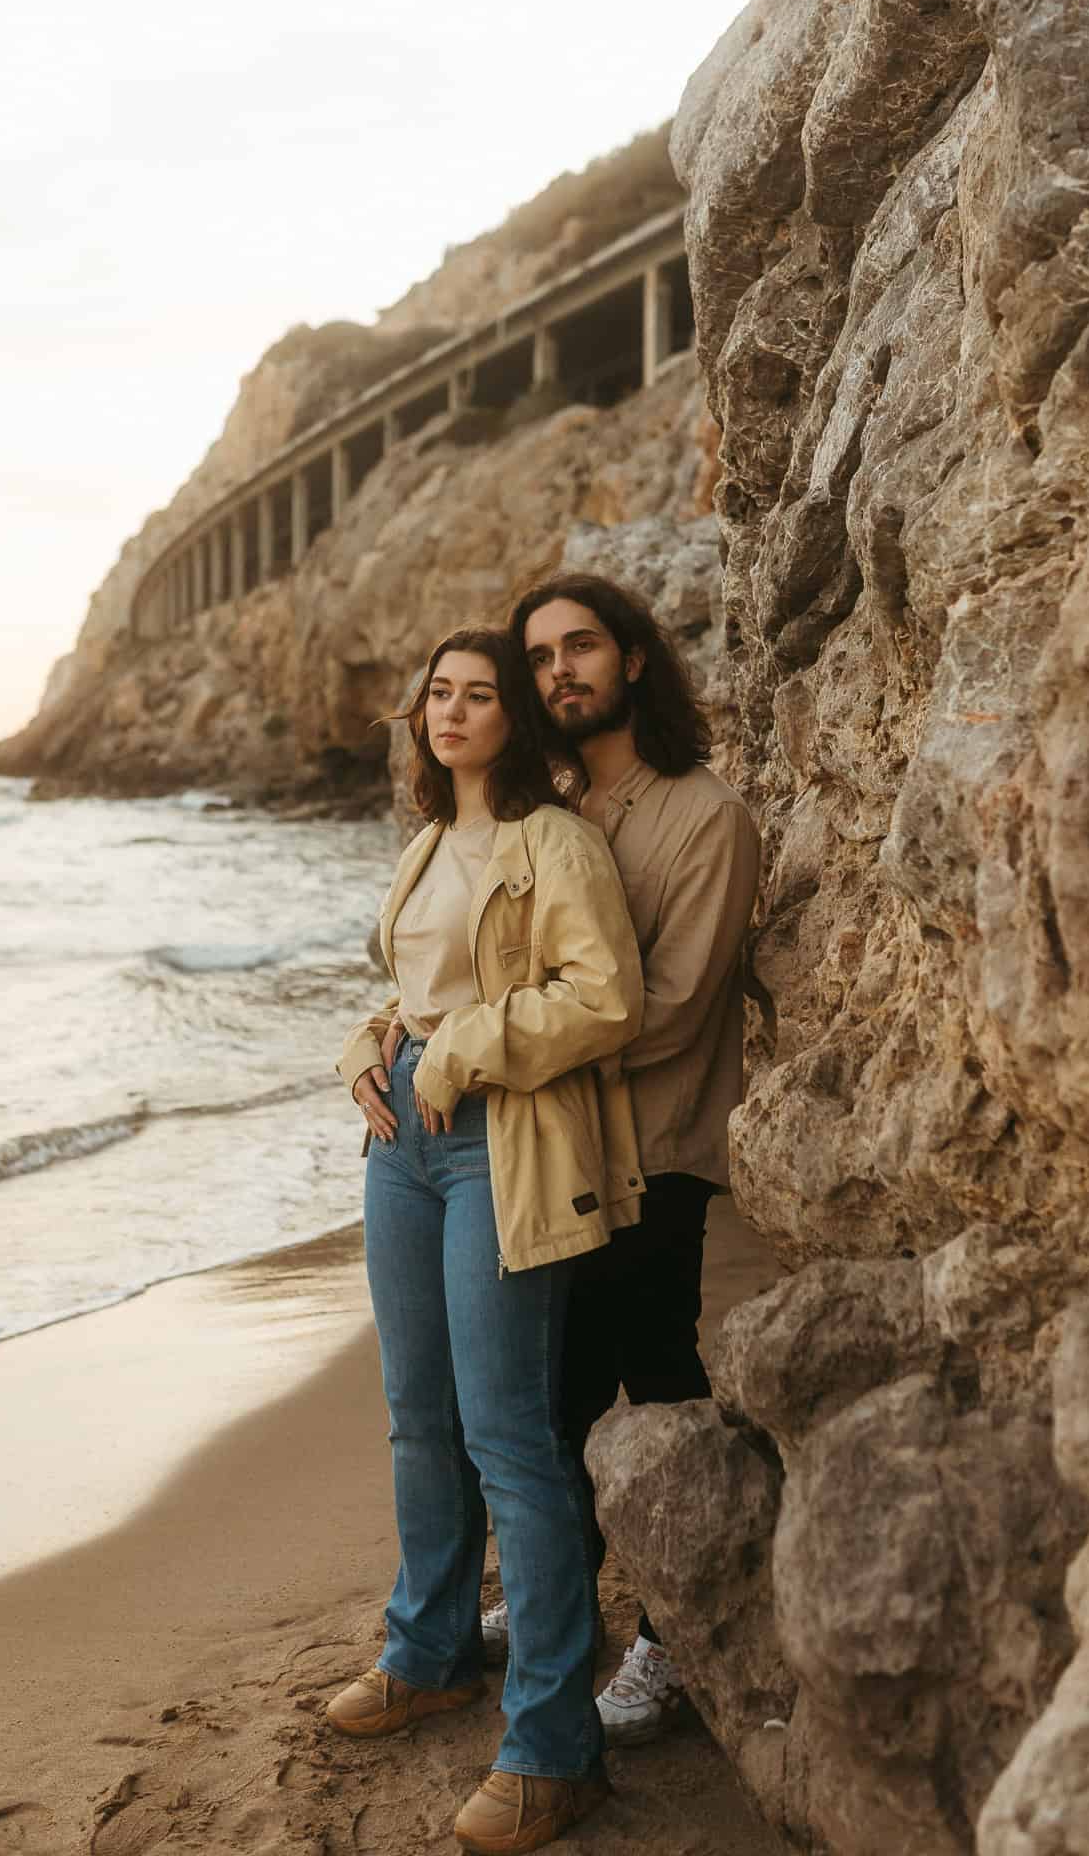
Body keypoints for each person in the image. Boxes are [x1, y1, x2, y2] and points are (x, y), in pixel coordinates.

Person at [326, 624, 647, 1855]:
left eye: (476, 694)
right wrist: (372, 1051)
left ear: (516, 714)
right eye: (436, 694)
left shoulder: (552, 840)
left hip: (499, 1146)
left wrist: (454, 1048)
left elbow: (603, 993)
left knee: (507, 1432)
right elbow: (409, 995)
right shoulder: (423, 845)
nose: (450, 711)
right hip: (401, 1143)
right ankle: (432, 1651)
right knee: (416, 1413)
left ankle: (555, 1748)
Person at [478, 572, 760, 1749]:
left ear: (634, 659)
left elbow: (679, 1005)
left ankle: (674, 1637)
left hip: (657, 1148)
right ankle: (561, 1595)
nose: (560, 674)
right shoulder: (543, 817)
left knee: (660, 1380)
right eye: (539, 658)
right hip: (558, 1153)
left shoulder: (705, 813)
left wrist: (510, 1041)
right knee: (562, 1389)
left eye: (581, 647)